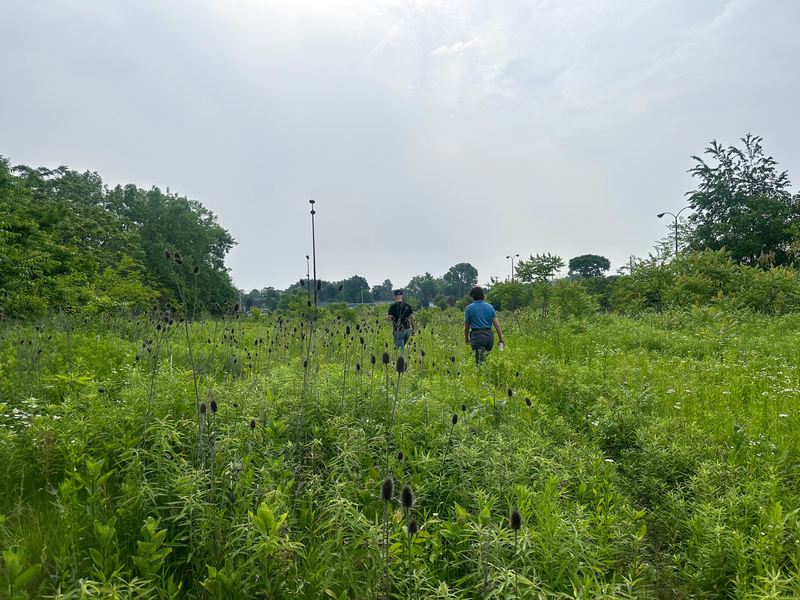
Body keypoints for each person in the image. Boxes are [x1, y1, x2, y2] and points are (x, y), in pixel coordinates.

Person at [464, 285, 505, 364]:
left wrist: (466, 339)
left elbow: (466, 327)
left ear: (472, 296)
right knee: (483, 359)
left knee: (480, 363)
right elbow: (497, 325)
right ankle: (486, 374)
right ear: (482, 295)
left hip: (477, 337)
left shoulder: (469, 308)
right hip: (489, 337)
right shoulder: (490, 307)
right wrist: (501, 339)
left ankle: (485, 376)